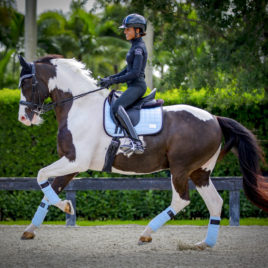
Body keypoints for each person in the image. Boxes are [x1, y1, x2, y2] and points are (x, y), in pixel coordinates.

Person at [99, 14, 148, 155]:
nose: (125, 32)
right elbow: (127, 69)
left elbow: (134, 73)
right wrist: (110, 78)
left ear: (137, 30)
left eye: (128, 29)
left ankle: (136, 142)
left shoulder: (139, 48)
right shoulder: (134, 46)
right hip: (132, 86)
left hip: (137, 86)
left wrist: (113, 81)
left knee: (116, 107)